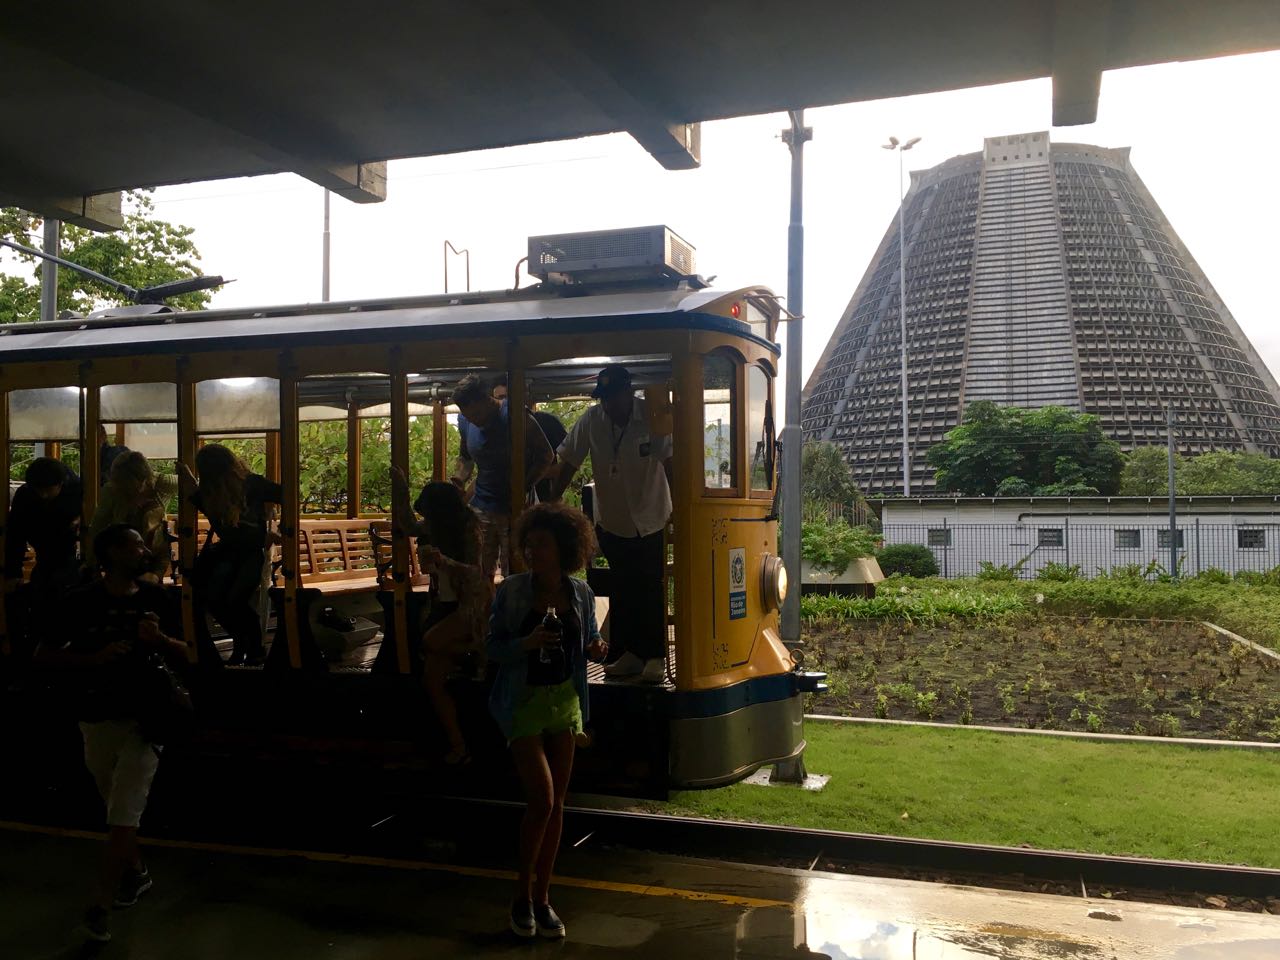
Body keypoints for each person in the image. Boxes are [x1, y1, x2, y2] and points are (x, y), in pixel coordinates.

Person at [35, 524, 187, 943]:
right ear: (114, 554)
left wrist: (161, 639)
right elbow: (45, 653)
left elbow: (190, 652)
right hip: (97, 714)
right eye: (135, 545)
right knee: (117, 805)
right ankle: (136, 871)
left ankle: (100, 904)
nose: (144, 551)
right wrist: (94, 658)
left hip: (146, 717)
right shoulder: (80, 602)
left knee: (123, 808)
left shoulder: (158, 599)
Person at [487, 503, 607, 939]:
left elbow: (590, 636)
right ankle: (521, 896)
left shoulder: (581, 593)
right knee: (542, 799)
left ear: (564, 549)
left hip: (566, 702)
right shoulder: (512, 592)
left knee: (556, 806)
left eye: (541, 545)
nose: (531, 552)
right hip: (523, 703)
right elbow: (492, 647)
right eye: (529, 544)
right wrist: (527, 642)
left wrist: (596, 647)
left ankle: (542, 899)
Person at [550, 365, 671, 683]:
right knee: (623, 589)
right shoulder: (591, 420)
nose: (608, 405)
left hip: (651, 518)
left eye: (613, 397)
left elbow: (671, 462)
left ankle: (656, 657)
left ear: (628, 392)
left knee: (650, 589)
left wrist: (683, 512)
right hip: (613, 521)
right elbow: (569, 461)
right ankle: (630, 654)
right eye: (603, 398)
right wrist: (552, 501)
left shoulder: (652, 416)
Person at [392, 468, 493, 764]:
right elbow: (409, 524)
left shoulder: (469, 530)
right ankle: (459, 745)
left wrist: (444, 562)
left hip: (470, 606)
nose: (425, 520)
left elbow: (478, 574)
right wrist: (400, 490)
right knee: (432, 679)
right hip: (443, 605)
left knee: (429, 641)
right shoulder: (432, 528)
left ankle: (481, 650)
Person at [180, 444, 282, 666]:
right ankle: (250, 647)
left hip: (235, 554)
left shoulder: (213, 493)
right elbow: (287, 494)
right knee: (232, 600)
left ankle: (247, 645)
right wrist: (278, 532)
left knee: (224, 601)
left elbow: (195, 495)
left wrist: (186, 476)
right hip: (246, 553)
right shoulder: (247, 485)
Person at [452, 374, 553, 580]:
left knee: (516, 569)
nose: (474, 421)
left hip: (514, 506)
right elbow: (466, 458)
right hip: (482, 505)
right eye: (468, 417)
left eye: (476, 414)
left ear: (487, 399)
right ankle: (485, 600)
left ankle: (513, 600)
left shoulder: (515, 416)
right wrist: (459, 479)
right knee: (479, 569)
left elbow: (546, 455)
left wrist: (523, 487)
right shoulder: (465, 421)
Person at [87, 451, 179, 583]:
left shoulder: (162, 483)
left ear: (144, 478)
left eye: (131, 485)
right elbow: (97, 527)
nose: (129, 491)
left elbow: (189, 483)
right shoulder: (112, 491)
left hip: (155, 557)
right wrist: (91, 564)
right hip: (123, 558)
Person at [5, 456, 83, 594]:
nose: (43, 495)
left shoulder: (76, 492)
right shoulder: (26, 494)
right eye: (39, 490)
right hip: (43, 549)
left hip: (65, 551)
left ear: (61, 484)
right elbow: (15, 535)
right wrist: (13, 573)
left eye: (48, 490)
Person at [491, 377, 567, 504]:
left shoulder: (547, 422)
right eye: (499, 399)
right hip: (506, 502)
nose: (504, 403)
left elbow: (567, 464)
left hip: (546, 502)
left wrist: (534, 474)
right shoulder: (493, 429)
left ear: (521, 397)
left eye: (507, 397)